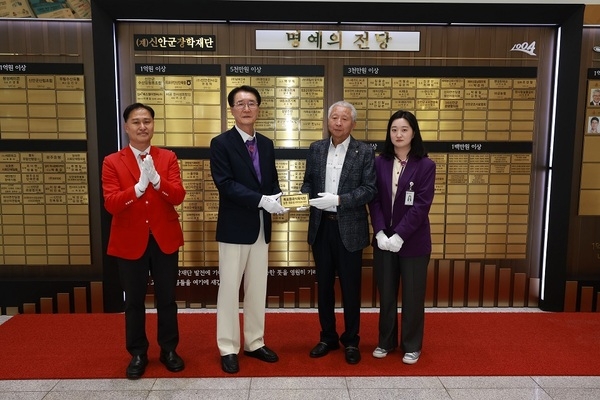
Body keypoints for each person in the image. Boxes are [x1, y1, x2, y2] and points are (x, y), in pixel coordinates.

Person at [102, 103, 186, 379]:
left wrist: (157, 181)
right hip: (130, 241)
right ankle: (138, 353)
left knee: (167, 299)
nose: (142, 127)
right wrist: (138, 188)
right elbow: (112, 204)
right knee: (134, 302)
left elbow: (178, 196)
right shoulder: (112, 161)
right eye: (136, 122)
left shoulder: (167, 157)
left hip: (164, 240)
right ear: (126, 127)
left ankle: (168, 349)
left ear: (153, 125)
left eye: (147, 121)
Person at [210, 85, 288, 374]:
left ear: (258, 108)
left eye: (251, 103)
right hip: (233, 227)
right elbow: (225, 184)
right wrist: (261, 200)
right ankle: (228, 347)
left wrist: (279, 199)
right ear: (231, 109)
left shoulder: (266, 144)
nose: (246, 108)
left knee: (257, 288)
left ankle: (255, 341)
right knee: (229, 289)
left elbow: (271, 182)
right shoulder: (221, 143)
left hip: (260, 227)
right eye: (240, 103)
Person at [301, 100, 377, 365]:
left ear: (352, 123)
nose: (338, 123)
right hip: (321, 228)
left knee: (350, 288)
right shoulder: (316, 149)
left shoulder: (364, 151)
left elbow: (369, 189)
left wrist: (340, 200)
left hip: (350, 228)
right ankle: (327, 336)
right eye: (334, 117)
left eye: (344, 119)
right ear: (328, 121)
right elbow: (308, 182)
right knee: (324, 288)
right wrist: (302, 198)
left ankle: (352, 340)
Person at [368, 110, 435, 365]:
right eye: (394, 129)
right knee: (386, 295)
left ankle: (412, 345)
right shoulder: (379, 162)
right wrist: (381, 231)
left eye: (404, 129)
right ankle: (385, 341)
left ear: (413, 133)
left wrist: (400, 235)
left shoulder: (426, 165)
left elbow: (421, 205)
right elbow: (374, 200)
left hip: (414, 243)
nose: (398, 134)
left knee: (413, 296)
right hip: (384, 240)